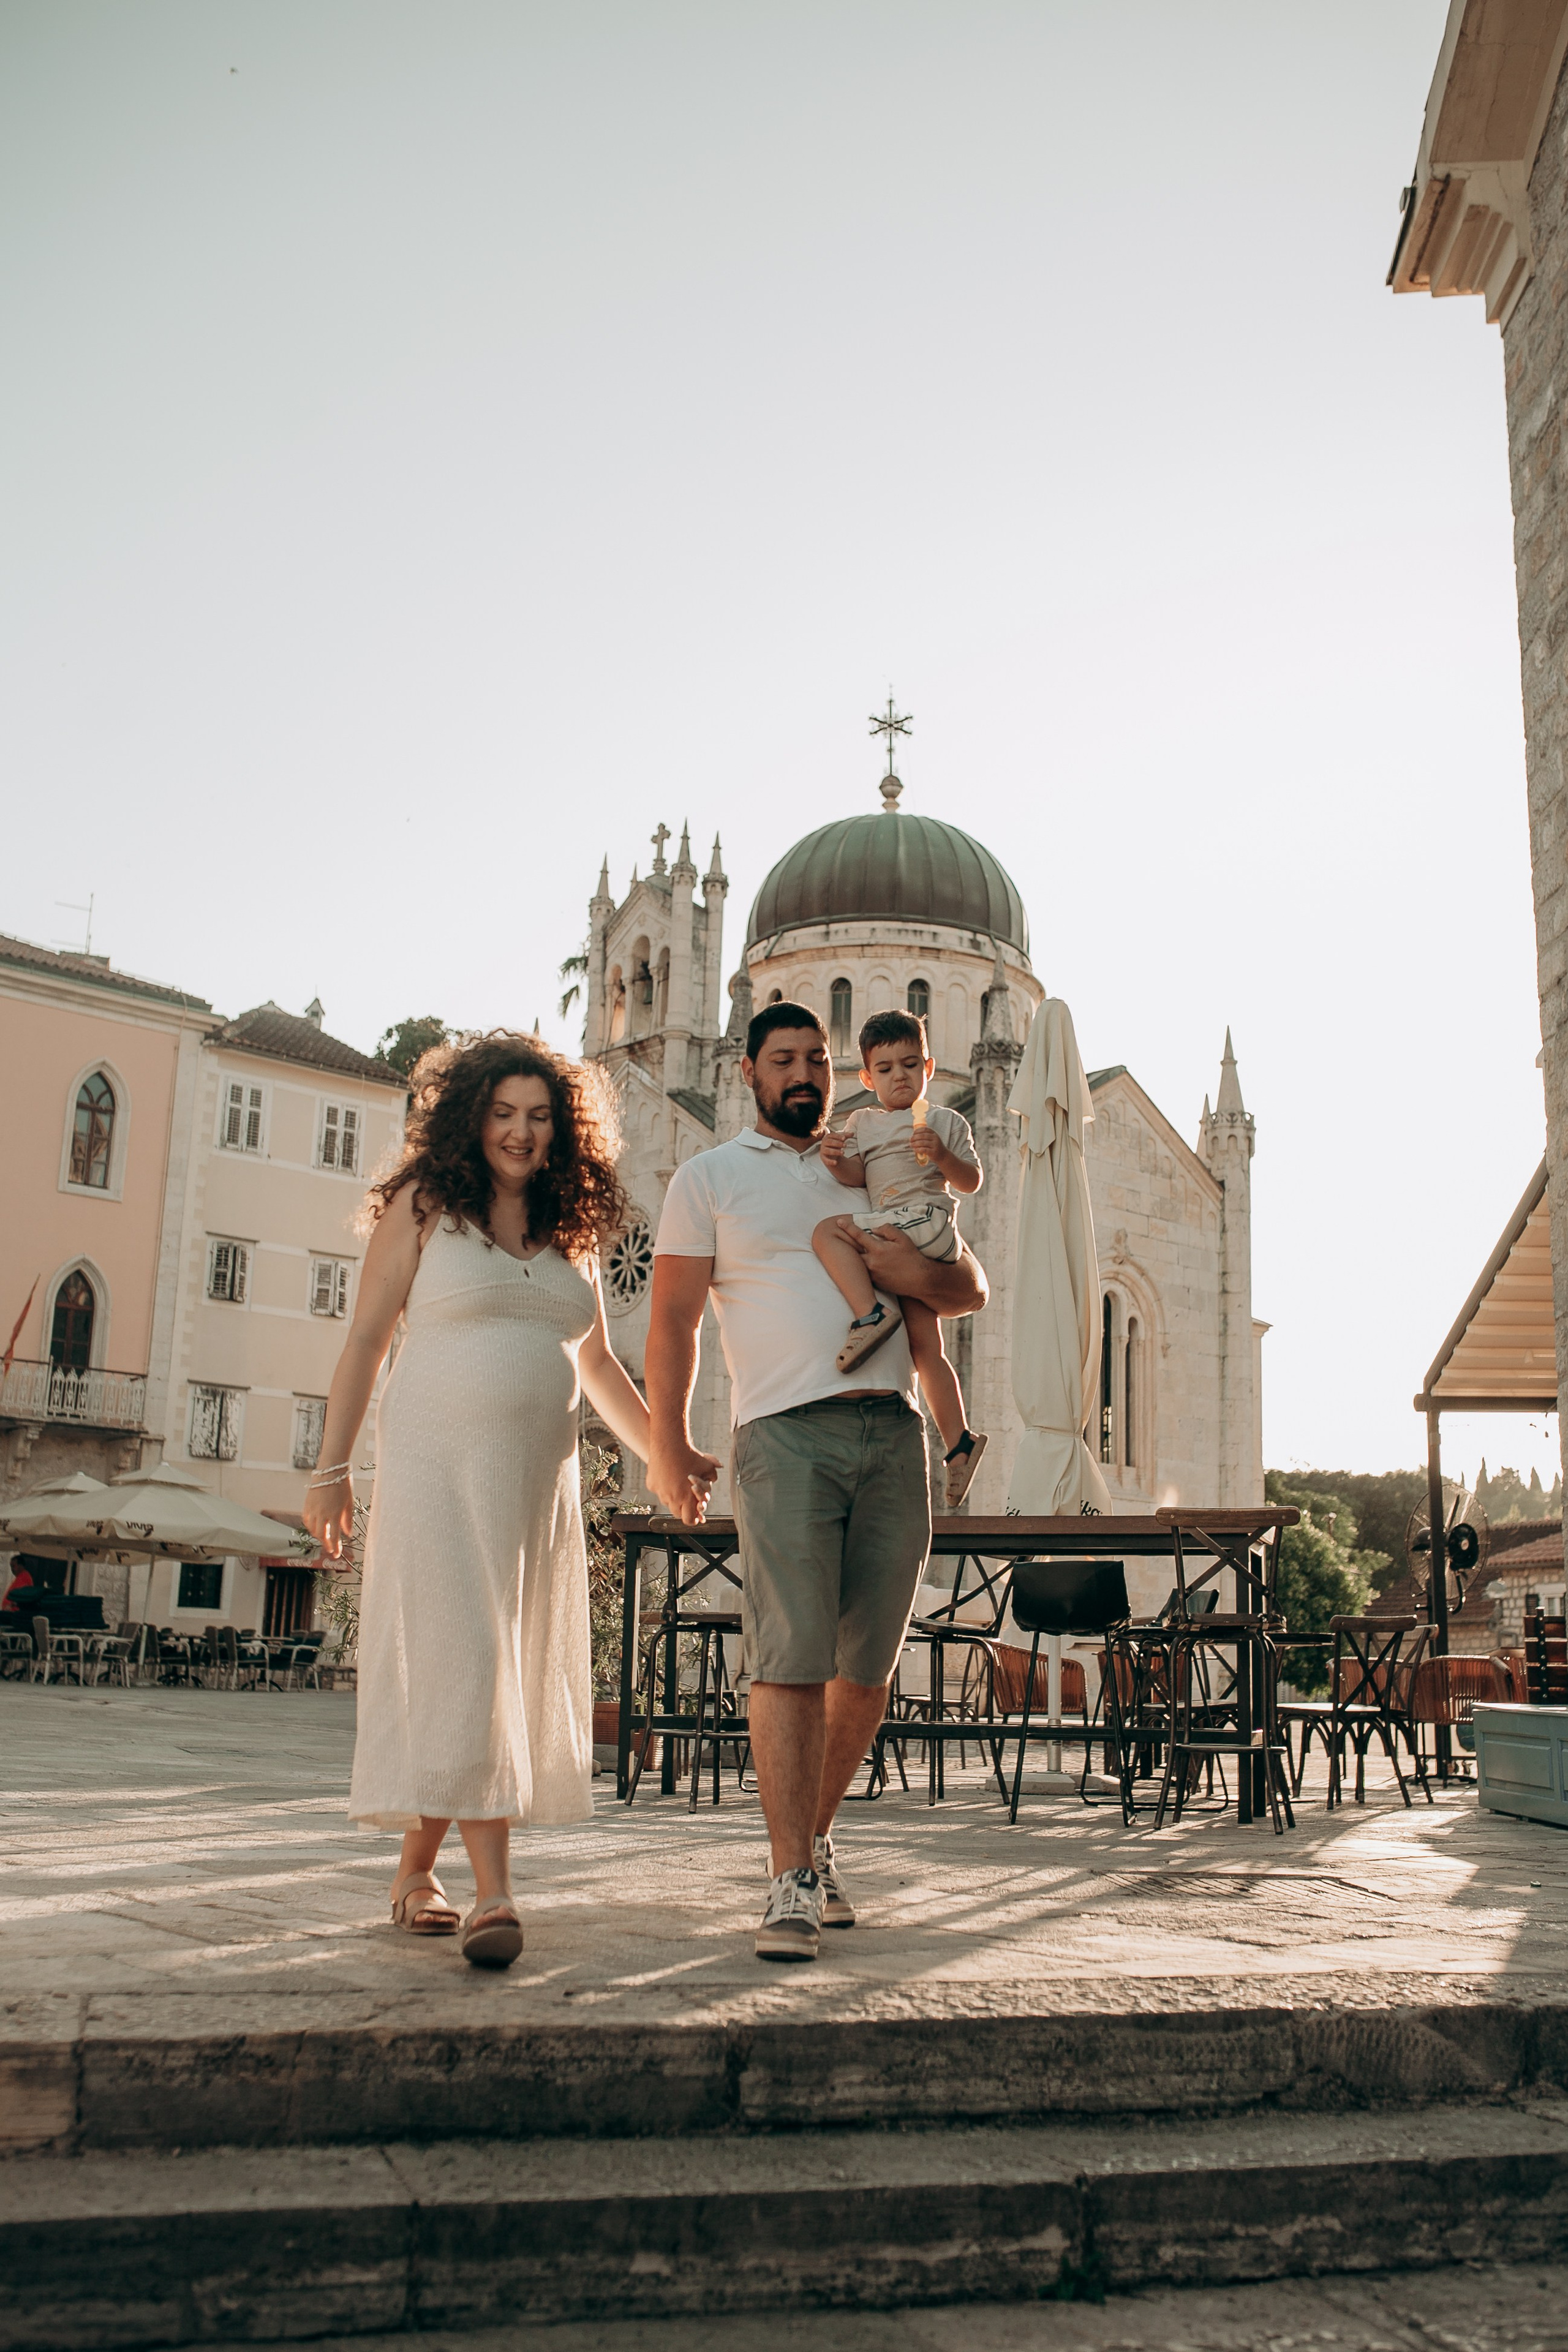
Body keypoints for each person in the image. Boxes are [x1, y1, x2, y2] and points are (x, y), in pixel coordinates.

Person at [304, 1031, 715, 1969]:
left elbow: (599, 1364)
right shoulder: (424, 1207)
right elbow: (367, 1339)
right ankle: (494, 1893)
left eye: (539, 1117)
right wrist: (331, 1472)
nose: (521, 1134)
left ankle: (416, 1873)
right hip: (436, 1469)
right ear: (470, 1117)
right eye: (504, 1114)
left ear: (561, 1129)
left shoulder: (570, 1227)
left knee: (482, 1667)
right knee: (476, 1656)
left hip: (535, 1489)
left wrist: (667, 1452)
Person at [646, 1001, 987, 1963]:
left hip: (896, 1431)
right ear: (748, 1070)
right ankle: (790, 1874)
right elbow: (672, 1321)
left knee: (868, 1673)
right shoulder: (710, 1177)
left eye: (819, 1059)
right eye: (784, 1059)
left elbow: (968, 1292)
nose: (804, 1073)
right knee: (788, 1658)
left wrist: (894, 1258)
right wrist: (667, 1445)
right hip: (782, 1433)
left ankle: (818, 1837)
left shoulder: (882, 1156)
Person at [813, 1008, 989, 1509]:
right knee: (925, 1348)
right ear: (867, 1078)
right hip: (904, 1234)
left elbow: (971, 1181)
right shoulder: (862, 1123)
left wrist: (941, 1156)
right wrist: (835, 1161)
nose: (900, 1078)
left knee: (829, 1232)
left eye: (910, 1066)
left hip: (927, 1224)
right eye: (886, 1070)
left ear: (929, 1068)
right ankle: (960, 1443)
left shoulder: (944, 1121)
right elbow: (857, 1176)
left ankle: (869, 1313)